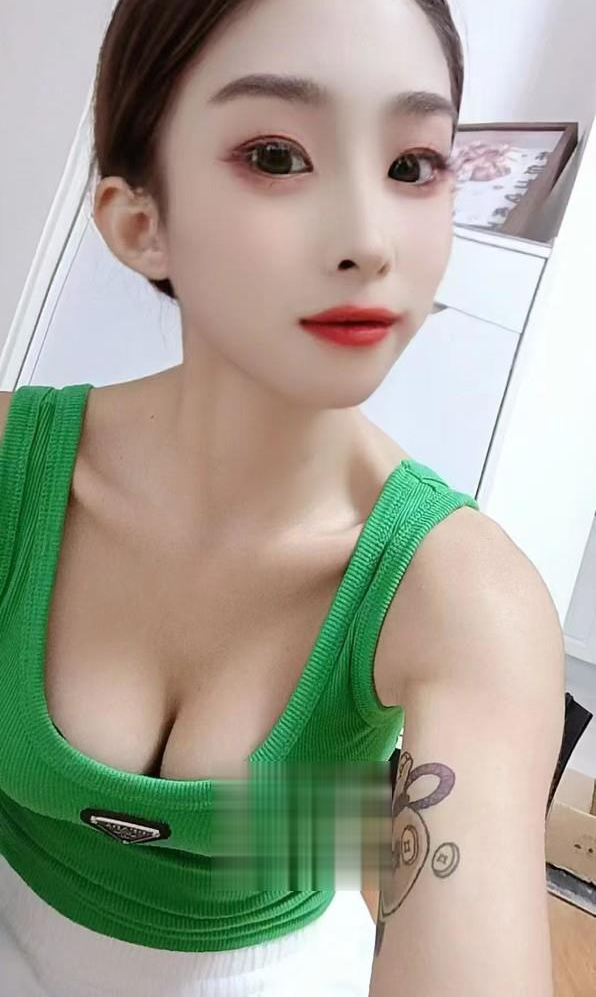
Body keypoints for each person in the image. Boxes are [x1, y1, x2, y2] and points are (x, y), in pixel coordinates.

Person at [0, 0, 537, 993]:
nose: (368, 241)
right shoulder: (11, 467)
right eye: (277, 156)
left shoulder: (464, 597)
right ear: (140, 223)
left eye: (412, 165)